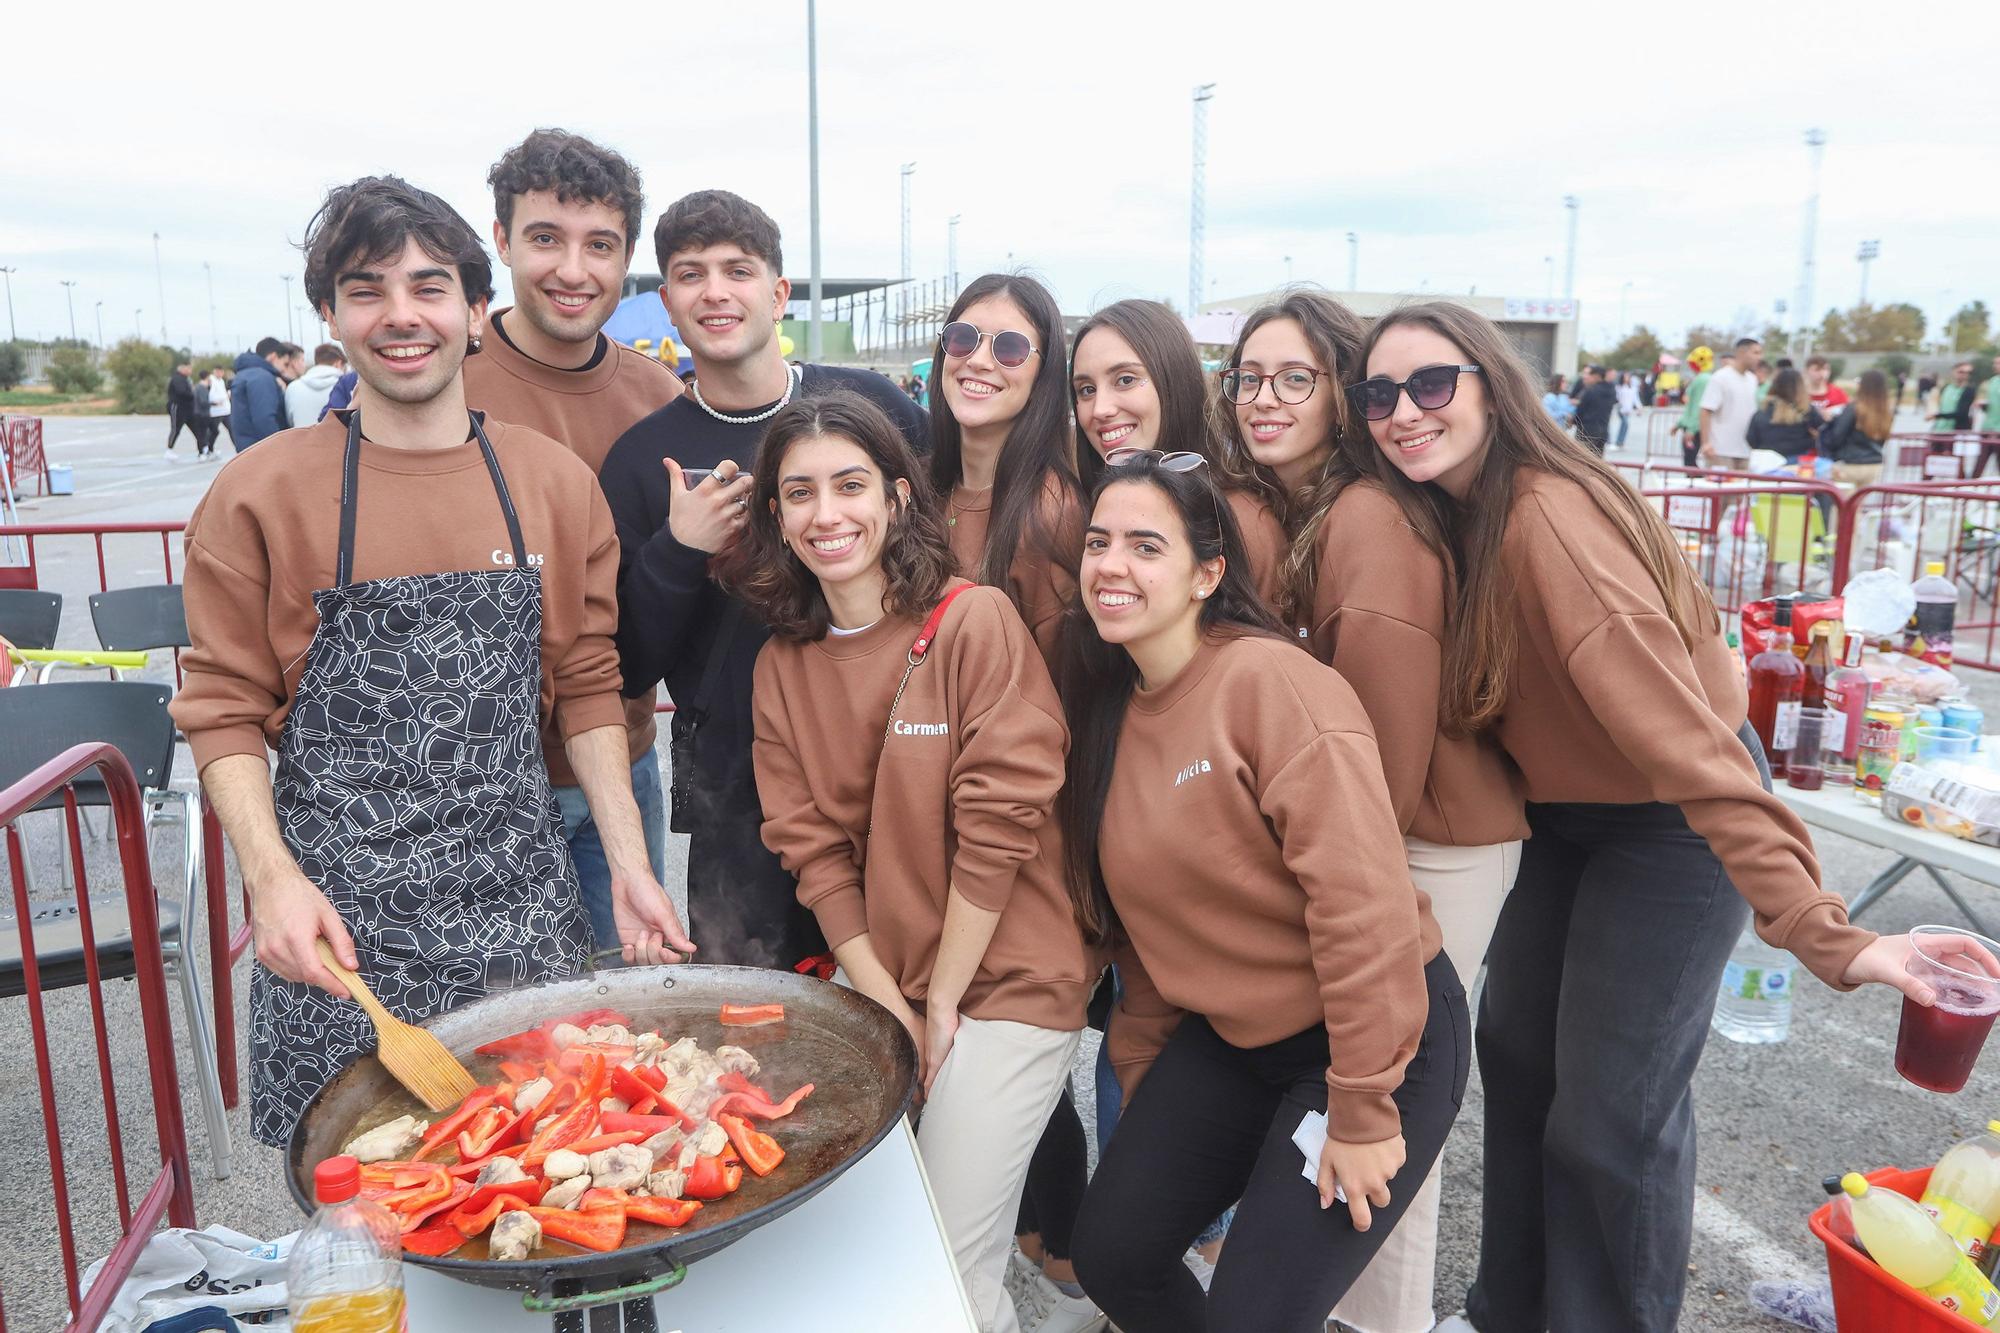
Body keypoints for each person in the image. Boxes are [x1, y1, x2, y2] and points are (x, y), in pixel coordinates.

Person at [1346, 301, 1925, 1333]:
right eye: (1378, 394)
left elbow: (1692, 748)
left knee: (1610, 1119)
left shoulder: (1545, 521)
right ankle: (1506, 1313)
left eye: (1430, 384)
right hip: (1566, 817)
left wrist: (1822, 933)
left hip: (1669, 819)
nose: (1402, 412)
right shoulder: (1452, 505)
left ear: (1488, 383)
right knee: (1518, 1064)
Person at [173, 175, 692, 1147]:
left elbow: (584, 684)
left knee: (545, 1181)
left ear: (476, 310)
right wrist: (270, 880)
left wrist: (628, 864)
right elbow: (220, 708)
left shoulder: (551, 482)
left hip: (522, 920)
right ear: (328, 314)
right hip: (338, 937)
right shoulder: (259, 493)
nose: (401, 316)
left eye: (428, 286)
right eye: (366, 290)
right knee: (362, 1234)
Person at [1059, 452, 1466, 1333]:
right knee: (1112, 1257)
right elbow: (1144, 933)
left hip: (1374, 1037)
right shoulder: (1109, 711)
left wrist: (1361, 1107)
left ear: (1208, 572)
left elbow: (1364, 910)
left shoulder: (1273, 684)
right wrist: (1146, 1082)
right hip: (1233, 1040)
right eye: (1098, 543)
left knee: (1255, 1316)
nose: (1111, 565)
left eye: (1144, 545)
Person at [733, 390, 1086, 1333]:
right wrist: (887, 996)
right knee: (897, 1251)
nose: (826, 514)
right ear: (776, 516)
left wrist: (938, 1005)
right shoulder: (781, 665)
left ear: (896, 496)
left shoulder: (972, 621)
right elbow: (812, 854)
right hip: (890, 982)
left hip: (1007, 983)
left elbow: (1000, 823)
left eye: (850, 485)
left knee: (941, 1265)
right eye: (799, 493)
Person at [603, 188, 927, 970]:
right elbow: (629, 663)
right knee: (760, 1026)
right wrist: (679, 550)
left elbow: (937, 565)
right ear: (668, 304)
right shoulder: (645, 458)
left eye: (737, 270)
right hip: (735, 791)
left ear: (778, 293)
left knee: (912, 995)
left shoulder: (870, 407)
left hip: (893, 755)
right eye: (690, 274)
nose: (715, 291)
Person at [1299, 350, 1529, 1333]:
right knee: (1383, 1076)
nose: (1265, 399)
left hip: (1423, 838)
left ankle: (1375, 1320)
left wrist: (1355, 878)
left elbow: (1380, 738)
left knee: (1395, 1082)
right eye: (1246, 379)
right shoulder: (1342, 503)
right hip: (1406, 829)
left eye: (1295, 379)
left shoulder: (1365, 518)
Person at [461, 127, 687, 956]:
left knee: (621, 1010)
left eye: (601, 245)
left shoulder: (658, 396)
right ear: (501, 241)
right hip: (475, 788)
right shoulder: (446, 379)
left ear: (626, 257)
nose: (573, 269)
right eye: (545, 238)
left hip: (618, 769)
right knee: (499, 1033)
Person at [1071, 297, 1288, 606]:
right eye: (1086, 390)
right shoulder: (1085, 511)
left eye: (1125, 380)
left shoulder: (1239, 521)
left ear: (1175, 382)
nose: (1100, 409)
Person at [927, 273, 1083, 670]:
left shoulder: (1051, 514)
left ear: (1042, 374)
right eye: (963, 337)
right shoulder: (917, 488)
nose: (978, 360)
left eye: (1009, 348)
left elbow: (1060, 688)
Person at [1821, 368, 1893, 486]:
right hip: (1874, 465)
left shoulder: (1854, 408)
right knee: (1858, 503)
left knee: (1842, 503)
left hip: (1849, 464)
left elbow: (1837, 436)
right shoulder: (1886, 412)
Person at [1698, 337, 1761, 471]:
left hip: (1745, 449)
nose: (1759, 358)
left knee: (1742, 491)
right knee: (1720, 491)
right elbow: (1705, 410)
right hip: (1720, 450)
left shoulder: (1752, 380)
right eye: (1755, 353)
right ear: (1742, 353)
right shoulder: (1721, 377)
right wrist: (1706, 443)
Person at [1746, 366, 1825, 462]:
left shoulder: (1764, 409)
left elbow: (1751, 438)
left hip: (1766, 461)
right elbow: (1825, 432)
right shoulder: (1806, 410)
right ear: (1800, 387)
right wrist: (1811, 441)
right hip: (1797, 461)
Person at [228, 336, 291, 450]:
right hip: (263, 452)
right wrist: (281, 449)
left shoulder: (247, 374)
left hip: (249, 449)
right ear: (273, 357)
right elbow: (265, 419)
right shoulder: (261, 377)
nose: (284, 370)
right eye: (285, 364)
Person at [285, 343, 347, 429]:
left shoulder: (292, 388)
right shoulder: (345, 387)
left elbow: (289, 422)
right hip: (337, 441)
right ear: (338, 363)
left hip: (301, 440)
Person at [1673, 345, 1713, 466]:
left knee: (1690, 462)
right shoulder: (1703, 379)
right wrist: (1679, 424)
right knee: (1690, 460)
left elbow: (1698, 407)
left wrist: (1691, 429)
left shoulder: (1702, 380)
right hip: (1695, 426)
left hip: (1695, 427)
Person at [1571, 364, 1617, 453]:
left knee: (1582, 460)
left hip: (1587, 431)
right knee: (1597, 461)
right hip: (1603, 431)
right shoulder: (1612, 390)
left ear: (1596, 376)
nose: (1587, 378)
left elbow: (1580, 411)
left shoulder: (1591, 390)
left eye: (1589, 375)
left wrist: (1573, 421)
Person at [166, 362, 198, 460]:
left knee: (197, 429)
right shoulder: (177, 379)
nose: (190, 371)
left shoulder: (186, 379)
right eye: (189, 369)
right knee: (176, 429)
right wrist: (193, 394)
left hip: (188, 408)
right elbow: (182, 392)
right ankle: (169, 450)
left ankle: (203, 448)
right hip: (178, 408)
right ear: (183, 369)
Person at [1933, 360, 1976, 434]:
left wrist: (1937, 415)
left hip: (1957, 431)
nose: (1964, 375)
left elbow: (1962, 413)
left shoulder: (1969, 391)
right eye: (1961, 372)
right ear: (1954, 371)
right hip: (1940, 429)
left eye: (1968, 373)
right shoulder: (1946, 388)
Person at [206, 366, 234, 451]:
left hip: (225, 411)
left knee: (232, 429)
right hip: (216, 412)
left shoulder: (221, 381)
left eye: (221, 372)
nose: (219, 374)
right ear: (214, 372)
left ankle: (238, 448)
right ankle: (209, 449)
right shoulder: (210, 380)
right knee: (214, 432)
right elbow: (210, 396)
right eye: (217, 372)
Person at [1614, 369, 1641, 448]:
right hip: (1621, 409)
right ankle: (1619, 442)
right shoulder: (1619, 387)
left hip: (1628, 409)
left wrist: (1639, 408)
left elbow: (1635, 399)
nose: (1627, 378)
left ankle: (1621, 442)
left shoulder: (1632, 388)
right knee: (1625, 424)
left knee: (1625, 426)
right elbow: (1618, 398)